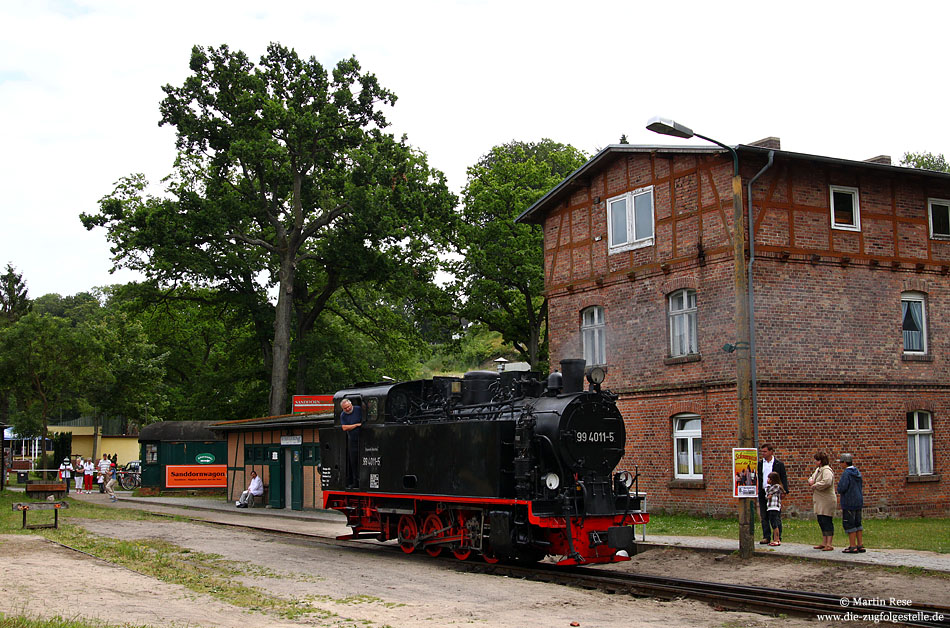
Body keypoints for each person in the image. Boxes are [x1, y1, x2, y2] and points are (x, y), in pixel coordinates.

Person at [756, 443, 789, 544]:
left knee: (775, 515)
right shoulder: (760, 463)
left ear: (771, 452)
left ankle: (777, 536)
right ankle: (766, 536)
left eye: (765, 451)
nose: (763, 454)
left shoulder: (778, 464)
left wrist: (785, 491)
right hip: (764, 491)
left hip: (775, 492)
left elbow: (783, 478)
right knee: (764, 515)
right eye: (762, 452)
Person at [808, 451, 836, 551]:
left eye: (816, 460)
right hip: (819, 499)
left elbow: (827, 482)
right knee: (821, 520)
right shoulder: (818, 470)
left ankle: (829, 543)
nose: (815, 462)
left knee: (827, 520)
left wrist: (815, 485)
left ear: (820, 461)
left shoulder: (827, 470)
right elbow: (812, 477)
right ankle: (824, 542)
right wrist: (810, 481)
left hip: (827, 499)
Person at [837, 453, 865, 553]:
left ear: (845, 462)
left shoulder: (846, 473)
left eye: (841, 462)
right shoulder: (857, 472)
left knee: (850, 524)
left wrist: (838, 488)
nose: (840, 464)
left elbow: (842, 487)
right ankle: (860, 544)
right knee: (858, 522)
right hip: (858, 500)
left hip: (849, 501)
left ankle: (853, 546)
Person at [340, 398, 362, 489]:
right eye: (345, 408)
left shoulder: (359, 409)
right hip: (352, 440)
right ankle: (355, 482)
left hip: (362, 438)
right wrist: (356, 425)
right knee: (353, 461)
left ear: (351, 404)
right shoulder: (343, 415)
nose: (347, 409)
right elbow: (344, 428)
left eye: (348, 407)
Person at [765, 471, 783, 546]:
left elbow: (770, 492)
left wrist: (769, 494)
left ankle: (777, 539)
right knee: (772, 523)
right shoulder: (768, 487)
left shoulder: (777, 486)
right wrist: (768, 494)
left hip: (775, 507)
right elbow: (767, 495)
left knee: (775, 523)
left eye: (769, 478)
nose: (767, 480)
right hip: (769, 507)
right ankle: (775, 539)